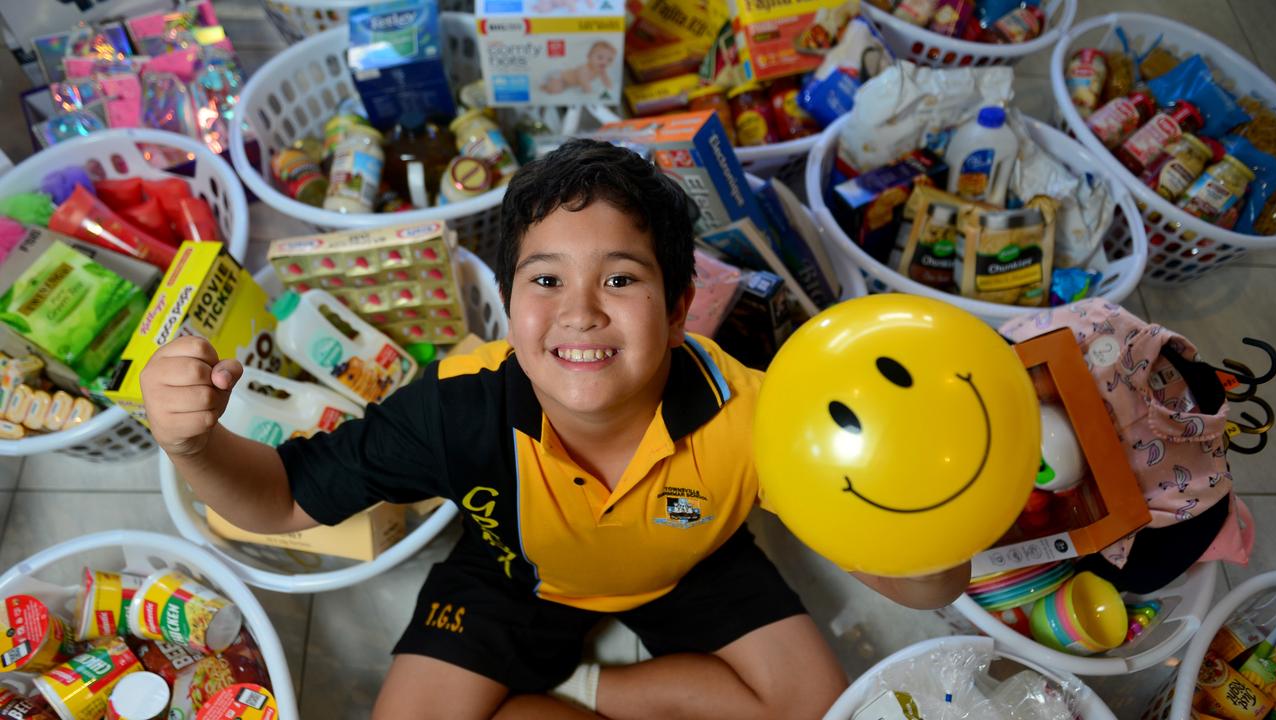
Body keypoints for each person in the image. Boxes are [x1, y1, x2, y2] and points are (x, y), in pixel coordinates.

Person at [140, 139, 970, 720]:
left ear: (680, 310)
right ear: (509, 305)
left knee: (820, 706)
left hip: (692, 560)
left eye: (621, 277)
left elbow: (923, 585)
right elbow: (282, 500)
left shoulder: (753, 412)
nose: (579, 311)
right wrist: (195, 446)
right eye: (546, 278)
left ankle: (579, 689)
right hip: (512, 571)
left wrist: (940, 513)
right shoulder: (457, 404)